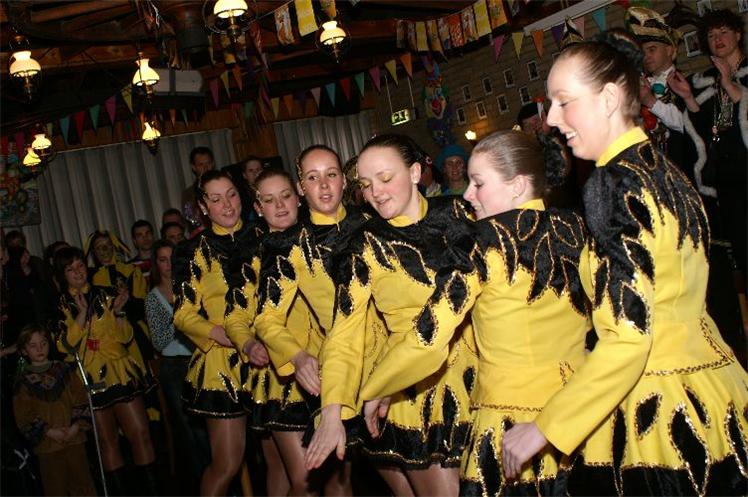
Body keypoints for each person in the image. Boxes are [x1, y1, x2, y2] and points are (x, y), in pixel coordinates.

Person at [501, 29, 748, 495]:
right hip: (716, 390)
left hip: (659, 410)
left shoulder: (613, 183)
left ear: (611, 98)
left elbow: (630, 331)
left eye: (563, 102)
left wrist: (547, 425)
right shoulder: (665, 171)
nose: (552, 119)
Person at [316, 134, 479, 496]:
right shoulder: (363, 245)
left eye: (385, 178)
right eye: (366, 184)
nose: (375, 192)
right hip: (415, 390)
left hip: (482, 378)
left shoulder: (463, 214)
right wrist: (332, 409)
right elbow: (344, 333)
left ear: (416, 172)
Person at [255, 146, 382, 495]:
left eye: (331, 174)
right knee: (338, 480)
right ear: (301, 188)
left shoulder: (374, 224)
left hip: (394, 366)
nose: (324, 185)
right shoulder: (291, 244)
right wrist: (297, 356)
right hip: (342, 373)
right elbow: (266, 318)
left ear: (344, 180)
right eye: (313, 178)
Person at [173, 169, 259, 497]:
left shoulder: (263, 235)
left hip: (272, 358)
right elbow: (183, 314)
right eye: (216, 198)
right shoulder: (191, 251)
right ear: (203, 206)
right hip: (224, 364)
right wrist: (217, 332)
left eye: (232, 194)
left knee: (280, 460)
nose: (227, 204)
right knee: (227, 464)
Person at [247, 167, 331, 496]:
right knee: (305, 481)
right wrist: (246, 342)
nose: (280, 206)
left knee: (338, 481)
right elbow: (240, 315)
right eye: (269, 200)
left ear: (298, 197)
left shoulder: (322, 241)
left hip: (332, 367)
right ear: (258, 208)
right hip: (284, 376)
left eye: (285, 196)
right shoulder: (253, 256)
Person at [55, 246, 157, 496]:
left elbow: (125, 337)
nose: (78, 272)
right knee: (107, 441)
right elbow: (64, 346)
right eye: (70, 269)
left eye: (80, 266)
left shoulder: (106, 293)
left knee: (141, 433)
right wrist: (81, 315)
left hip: (120, 370)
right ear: (62, 274)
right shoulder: (59, 305)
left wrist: (120, 312)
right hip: (90, 376)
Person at [674, 9, 748, 342]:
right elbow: (705, 131)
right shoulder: (706, 79)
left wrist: (730, 84)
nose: (717, 40)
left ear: (738, 34)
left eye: (723, 32)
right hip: (728, 182)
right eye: (711, 36)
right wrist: (689, 99)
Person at [145, 239, 208, 491]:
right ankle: (201, 483)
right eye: (162, 260)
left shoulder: (193, 286)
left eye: (172, 259)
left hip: (201, 358)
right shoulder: (153, 298)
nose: (169, 265)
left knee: (210, 424)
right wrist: (180, 317)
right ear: (156, 264)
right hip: (174, 366)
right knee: (190, 429)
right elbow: (159, 342)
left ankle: (221, 478)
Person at [13, 325, 97, 496]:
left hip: (74, 439)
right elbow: (24, 416)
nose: (39, 349)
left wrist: (75, 427)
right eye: (33, 345)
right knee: (55, 489)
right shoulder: (22, 382)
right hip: (48, 446)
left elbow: (81, 400)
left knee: (84, 486)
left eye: (43, 343)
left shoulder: (64, 370)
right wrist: (49, 431)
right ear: (24, 351)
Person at [627, 6, 695, 181]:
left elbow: (686, 124)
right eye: (643, 52)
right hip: (654, 171)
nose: (646, 56)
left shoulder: (687, 83)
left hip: (683, 169)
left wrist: (651, 101)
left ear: (670, 50)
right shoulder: (642, 85)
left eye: (652, 49)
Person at [87, 230, 153, 361]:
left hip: (137, 334)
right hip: (110, 340)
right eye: (99, 247)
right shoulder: (92, 279)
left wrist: (128, 300)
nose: (104, 249)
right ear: (94, 252)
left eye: (107, 244)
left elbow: (143, 305)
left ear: (113, 246)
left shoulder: (131, 271)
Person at [181, 147, 216, 236]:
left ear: (213, 164)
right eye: (201, 164)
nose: (206, 168)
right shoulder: (189, 194)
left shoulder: (224, 185)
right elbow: (191, 220)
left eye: (208, 163)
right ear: (194, 167)